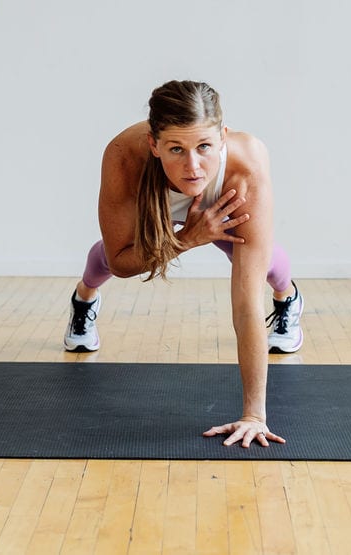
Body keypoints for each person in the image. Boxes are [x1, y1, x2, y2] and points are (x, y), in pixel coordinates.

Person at [65, 80, 304, 448]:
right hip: (153, 194)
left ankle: (287, 298)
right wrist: (188, 238)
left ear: (222, 138)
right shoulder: (124, 156)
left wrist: (254, 415)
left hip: (220, 199)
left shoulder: (246, 167)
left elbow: (245, 307)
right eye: (176, 149)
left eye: (204, 147)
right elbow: (123, 261)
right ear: (153, 144)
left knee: (260, 260)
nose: (192, 166)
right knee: (110, 258)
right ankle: (84, 298)